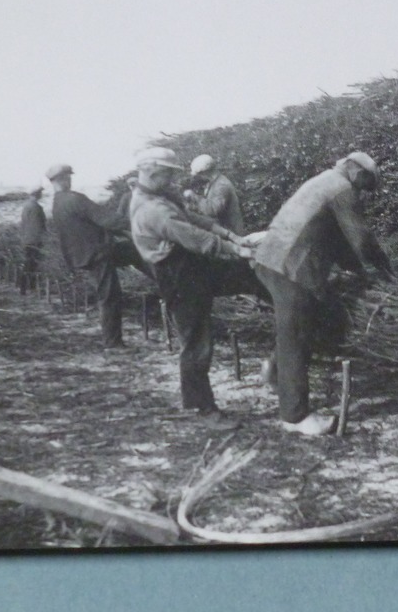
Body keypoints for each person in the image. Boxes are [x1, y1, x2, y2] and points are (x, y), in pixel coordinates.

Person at [251, 152, 396, 436]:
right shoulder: (342, 189)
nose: (363, 191)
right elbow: (360, 239)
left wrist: (358, 270)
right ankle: (295, 417)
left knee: (300, 326)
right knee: (295, 334)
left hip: (268, 259)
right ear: (356, 171)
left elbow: (335, 239)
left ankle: (276, 370)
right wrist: (382, 268)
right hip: (291, 268)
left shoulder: (321, 182)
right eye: (366, 184)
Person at [128, 147, 254, 430]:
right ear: (152, 171)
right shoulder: (152, 209)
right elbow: (195, 237)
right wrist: (236, 249)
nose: (173, 180)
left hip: (190, 266)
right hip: (177, 273)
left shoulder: (158, 195)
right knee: (197, 342)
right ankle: (202, 407)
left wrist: (229, 233)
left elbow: (193, 219)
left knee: (251, 278)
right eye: (169, 174)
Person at [47, 162, 142, 347]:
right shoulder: (75, 199)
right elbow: (108, 220)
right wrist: (140, 225)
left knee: (132, 254)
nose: (70, 180)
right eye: (68, 177)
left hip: (82, 255)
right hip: (98, 254)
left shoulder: (57, 203)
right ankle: (113, 343)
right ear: (64, 179)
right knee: (109, 296)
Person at [185, 154, 247, 235]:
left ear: (205, 172)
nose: (199, 177)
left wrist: (194, 197)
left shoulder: (221, 186)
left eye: (199, 174)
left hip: (231, 232)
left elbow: (213, 210)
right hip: (226, 231)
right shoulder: (214, 183)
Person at [16, 186, 47, 295]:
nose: (41, 195)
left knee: (29, 264)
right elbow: (37, 226)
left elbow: (25, 224)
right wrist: (42, 239)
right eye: (40, 193)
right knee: (31, 264)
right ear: (36, 194)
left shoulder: (27, 206)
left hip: (27, 239)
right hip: (34, 241)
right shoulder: (36, 207)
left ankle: (26, 288)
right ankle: (26, 288)